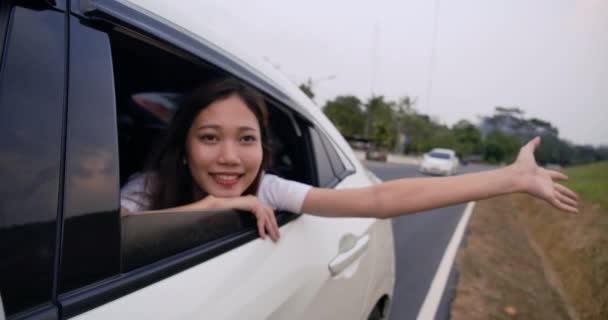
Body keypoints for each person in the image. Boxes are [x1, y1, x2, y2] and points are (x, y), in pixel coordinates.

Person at [121, 77, 579, 243]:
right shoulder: (146, 189)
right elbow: (100, 245)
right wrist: (212, 207)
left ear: (263, 148)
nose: (229, 157)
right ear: (184, 146)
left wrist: (511, 179)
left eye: (247, 138)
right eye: (208, 137)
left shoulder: (269, 188)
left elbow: (381, 199)